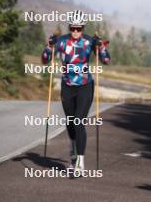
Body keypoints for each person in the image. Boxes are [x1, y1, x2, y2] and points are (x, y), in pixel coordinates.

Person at [42, 10, 110, 175]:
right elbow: (45, 60)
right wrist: (49, 46)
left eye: (79, 28)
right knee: (71, 122)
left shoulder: (89, 41)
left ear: (83, 27)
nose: (75, 32)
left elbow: (106, 60)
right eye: (73, 28)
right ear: (70, 27)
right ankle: (73, 150)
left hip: (85, 86)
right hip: (67, 86)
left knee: (79, 121)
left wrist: (100, 46)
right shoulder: (62, 41)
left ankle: (80, 161)